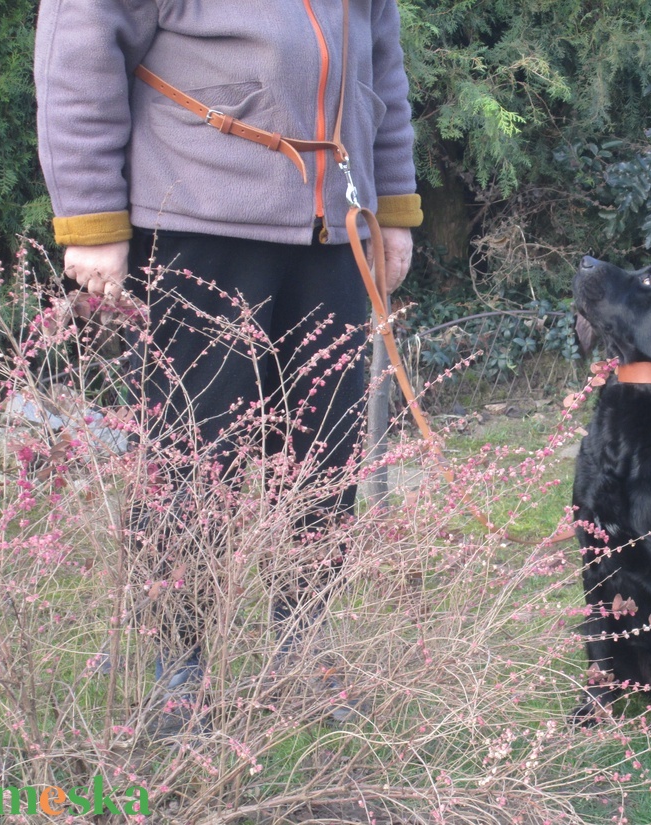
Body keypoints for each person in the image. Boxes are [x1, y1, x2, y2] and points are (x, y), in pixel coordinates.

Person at [35, 0, 422, 731]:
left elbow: (380, 67)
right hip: (194, 214)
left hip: (334, 229)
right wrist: (90, 215)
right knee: (192, 458)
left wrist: (392, 205)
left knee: (324, 459)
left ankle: (303, 652)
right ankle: (176, 669)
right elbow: (77, 45)